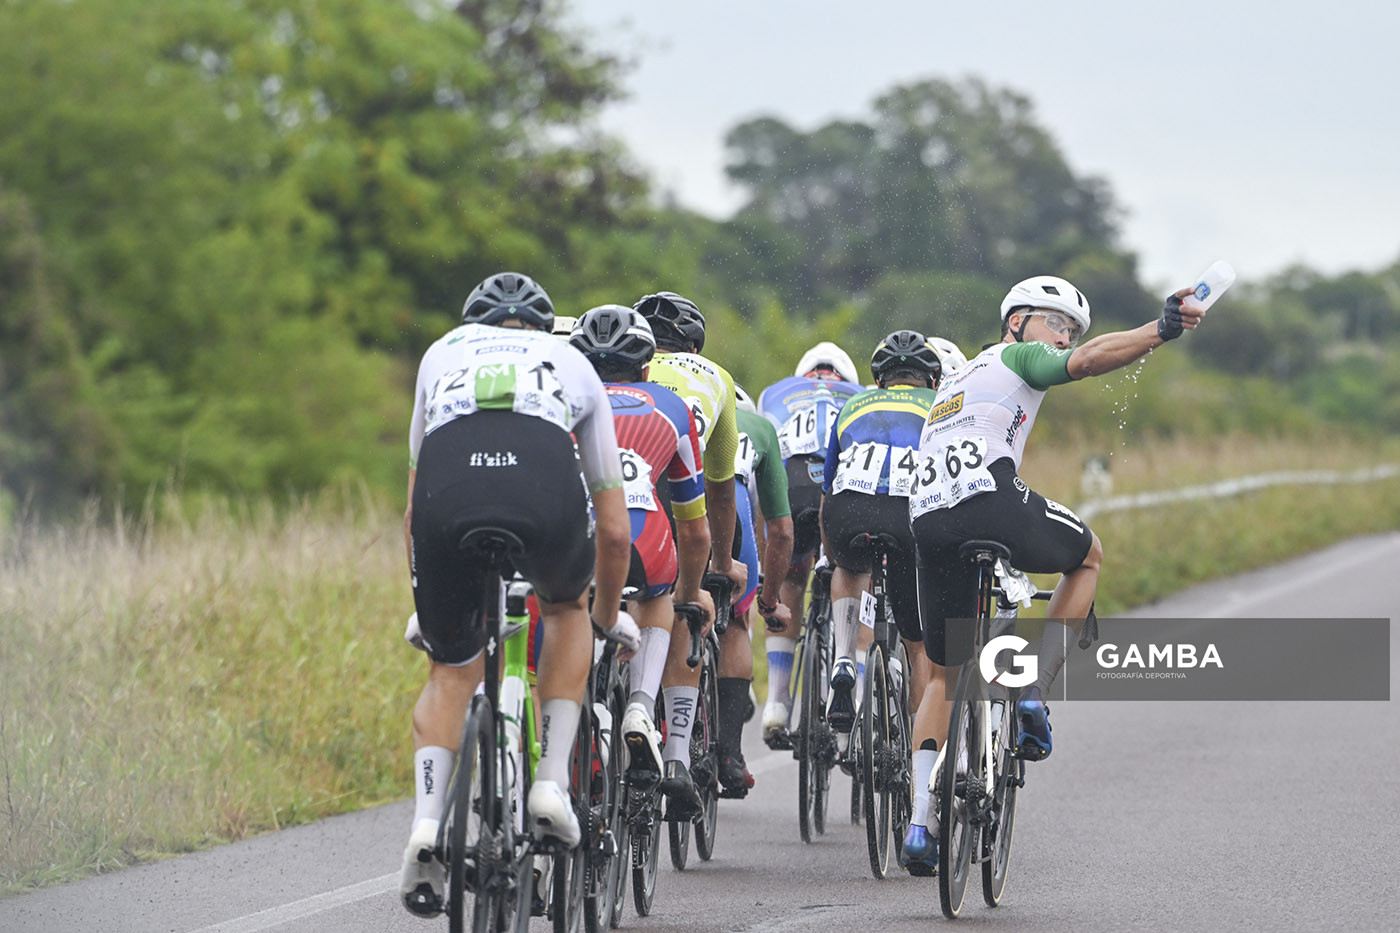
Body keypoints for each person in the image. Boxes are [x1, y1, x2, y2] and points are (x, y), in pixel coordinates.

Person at [901, 275, 1206, 874]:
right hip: (986, 499)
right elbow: (1088, 363)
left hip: (927, 518)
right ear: (1016, 322)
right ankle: (1035, 694)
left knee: (941, 674)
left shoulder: (955, 381)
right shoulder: (1016, 356)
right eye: (1055, 322)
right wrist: (1160, 330)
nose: (1064, 337)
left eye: (1071, 330)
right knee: (1088, 556)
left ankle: (917, 826)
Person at [399, 272, 639, 917]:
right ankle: (551, 785)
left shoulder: (440, 353)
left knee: (451, 668)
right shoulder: (572, 361)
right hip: (542, 489)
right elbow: (616, 532)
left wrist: (430, 611)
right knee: (564, 611)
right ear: (541, 326)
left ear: (473, 323)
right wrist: (602, 618)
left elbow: (414, 510)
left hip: (447, 496)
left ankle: (427, 825)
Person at [568, 305, 714, 783]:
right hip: (642, 534)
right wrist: (688, 594)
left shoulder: (562, 399)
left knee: (564, 602)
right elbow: (694, 528)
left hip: (573, 535)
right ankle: (640, 707)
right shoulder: (671, 406)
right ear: (647, 369)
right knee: (658, 596)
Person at [633, 290, 747, 816]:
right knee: (685, 603)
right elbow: (721, 491)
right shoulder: (715, 377)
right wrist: (719, 564)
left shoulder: (618, 366)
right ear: (695, 346)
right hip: (679, 495)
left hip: (620, 489)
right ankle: (677, 754)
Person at [818, 331, 942, 749]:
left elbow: (827, 490)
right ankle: (921, 749)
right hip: (906, 515)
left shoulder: (853, 404)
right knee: (918, 645)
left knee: (848, 567)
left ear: (880, 380)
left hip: (847, 510)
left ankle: (844, 657)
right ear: (931, 378)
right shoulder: (941, 404)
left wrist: (833, 554)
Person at [757, 342, 864, 746]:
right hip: (839, 490)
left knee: (791, 577)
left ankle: (777, 700)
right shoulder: (862, 395)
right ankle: (855, 686)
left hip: (792, 486)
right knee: (856, 575)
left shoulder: (775, 392)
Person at [717, 385, 795, 792]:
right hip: (732, 517)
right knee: (735, 619)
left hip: (668, 505)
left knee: (666, 605)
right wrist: (767, 601)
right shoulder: (758, 427)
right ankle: (730, 753)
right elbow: (780, 532)